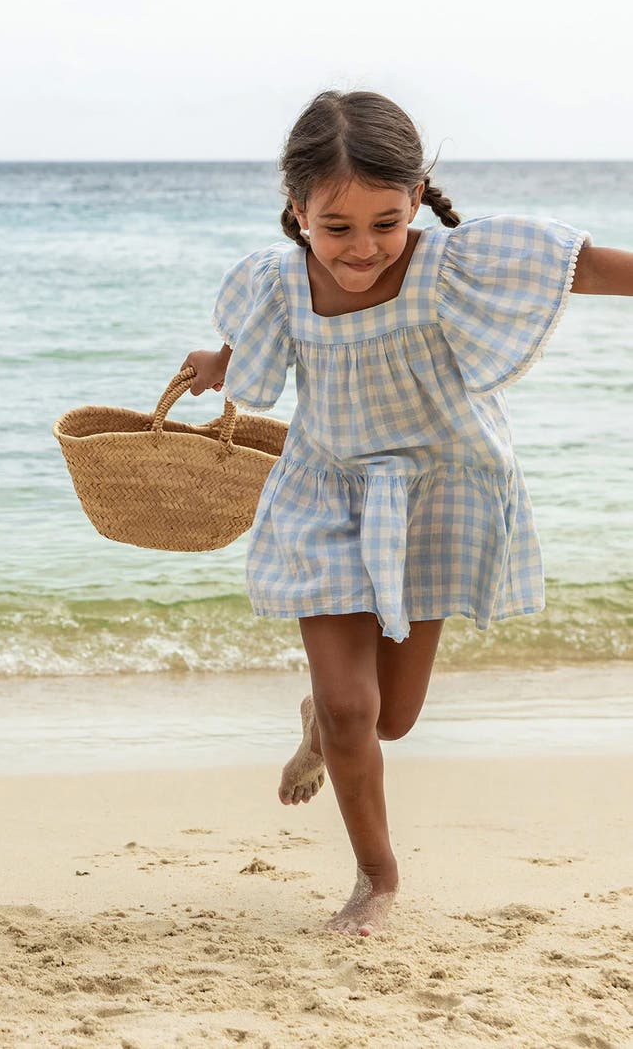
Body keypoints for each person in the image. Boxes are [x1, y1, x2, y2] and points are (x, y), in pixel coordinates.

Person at [182, 90, 633, 936]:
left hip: (435, 496)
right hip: (323, 493)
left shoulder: (453, 264)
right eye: (337, 227)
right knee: (359, 712)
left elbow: (589, 269)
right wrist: (218, 361)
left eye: (385, 223)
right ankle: (376, 878)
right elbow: (259, 351)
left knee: (391, 716)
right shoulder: (277, 280)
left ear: (418, 196)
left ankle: (321, 718)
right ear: (297, 211)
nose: (363, 249)